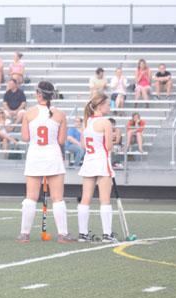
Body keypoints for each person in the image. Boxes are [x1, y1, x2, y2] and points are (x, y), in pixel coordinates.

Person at [17, 81, 75, 243]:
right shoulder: (60, 114)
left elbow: (26, 138)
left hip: (35, 156)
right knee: (57, 198)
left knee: (30, 197)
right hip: (52, 156)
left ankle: (24, 233)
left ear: (39, 94)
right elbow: (62, 140)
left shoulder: (28, 113)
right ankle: (63, 234)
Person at [77, 93, 116, 242]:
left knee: (85, 199)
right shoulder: (105, 122)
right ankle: (107, 234)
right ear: (100, 106)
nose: (109, 107)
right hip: (101, 161)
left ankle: (83, 234)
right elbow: (108, 146)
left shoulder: (86, 122)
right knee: (104, 199)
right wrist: (111, 140)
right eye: (107, 104)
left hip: (89, 161)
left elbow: (83, 145)